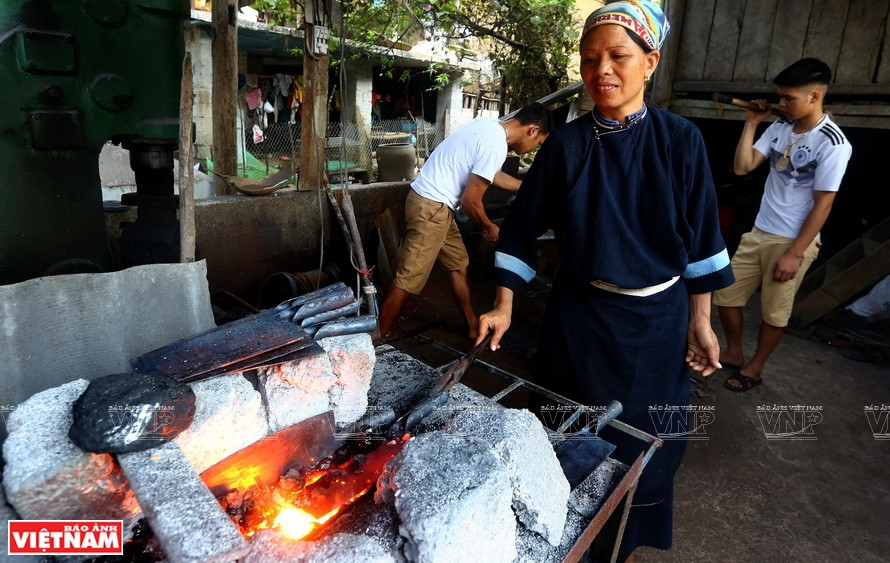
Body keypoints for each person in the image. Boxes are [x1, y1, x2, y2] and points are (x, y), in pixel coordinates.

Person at [475, 2, 733, 561]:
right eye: (590, 59)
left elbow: (701, 236)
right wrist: (503, 305)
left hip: (657, 325)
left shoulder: (679, 139)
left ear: (650, 61)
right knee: (568, 434)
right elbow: (521, 228)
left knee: (646, 448)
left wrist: (700, 321)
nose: (602, 71)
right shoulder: (565, 146)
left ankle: (624, 545)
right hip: (579, 321)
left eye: (619, 55)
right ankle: (564, 540)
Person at [714, 58, 852, 392]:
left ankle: (755, 368)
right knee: (726, 296)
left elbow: (825, 203)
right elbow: (743, 167)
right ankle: (733, 352)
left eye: (789, 98)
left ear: (815, 96)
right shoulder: (779, 128)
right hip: (759, 232)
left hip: (793, 241)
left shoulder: (833, 143)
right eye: (780, 97)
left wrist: (794, 253)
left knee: (774, 313)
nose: (781, 104)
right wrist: (752, 122)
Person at [377, 103, 553, 339]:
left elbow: (494, 174)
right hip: (432, 209)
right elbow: (470, 202)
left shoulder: (489, 127)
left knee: (458, 265)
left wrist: (526, 187)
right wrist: (488, 227)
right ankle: (376, 339)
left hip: (437, 205)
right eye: (538, 142)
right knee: (408, 279)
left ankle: (472, 325)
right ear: (533, 130)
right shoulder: (496, 145)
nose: (534, 148)